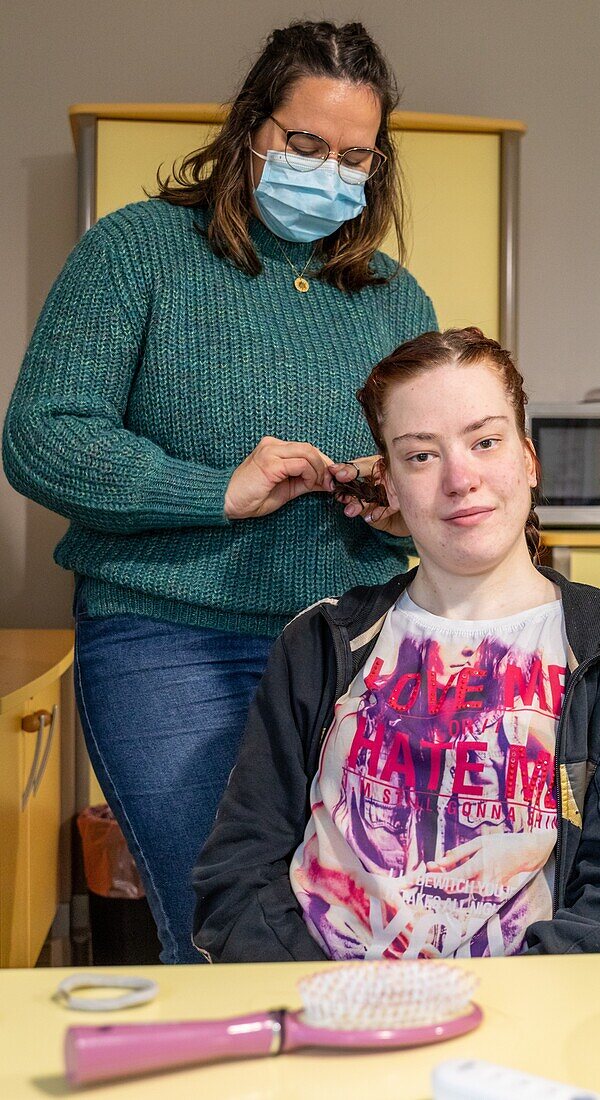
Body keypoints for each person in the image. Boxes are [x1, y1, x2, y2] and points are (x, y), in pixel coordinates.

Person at [1, 21, 436, 964]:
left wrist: (396, 497)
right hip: (171, 638)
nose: (327, 171)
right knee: (220, 933)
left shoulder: (395, 298)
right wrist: (218, 491)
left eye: (353, 156)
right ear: (251, 133)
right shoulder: (137, 252)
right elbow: (42, 438)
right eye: (305, 144)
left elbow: (425, 465)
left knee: (349, 931)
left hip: (350, 642)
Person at [191, 327, 600, 961]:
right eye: (421, 455)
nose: (460, 478)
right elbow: (239, 877)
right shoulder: (322, 643)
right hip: (325, 1020)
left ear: (529, 460)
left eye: (486, 441)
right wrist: (328, 1007)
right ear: (392, 487)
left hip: (519, 1027)